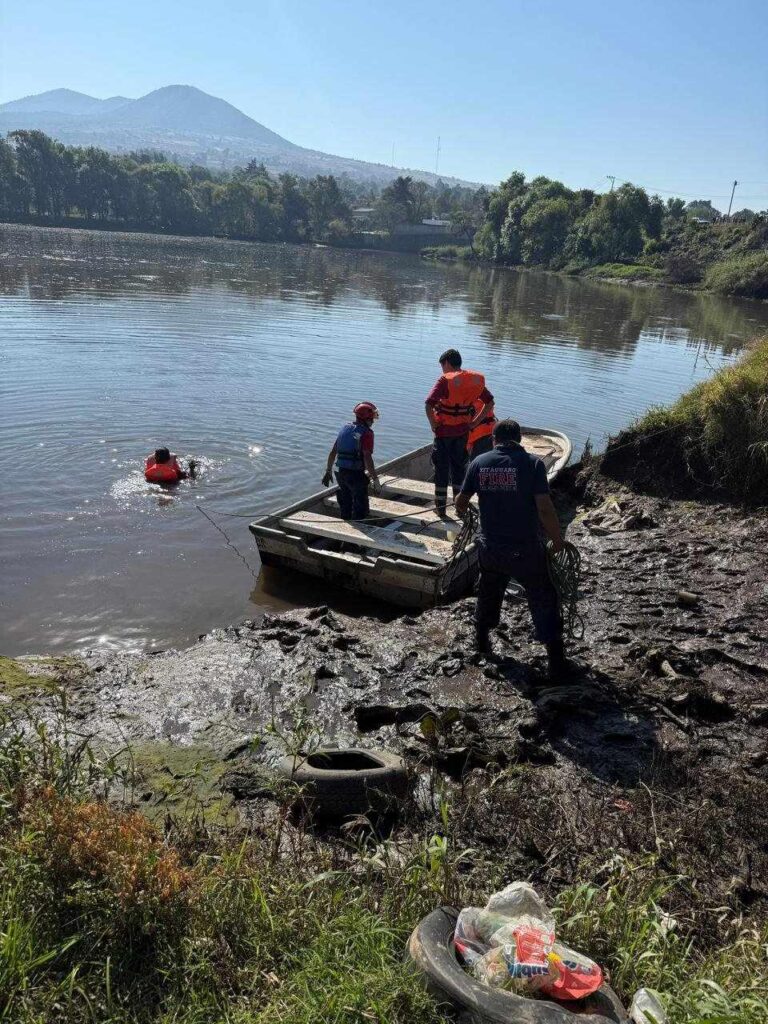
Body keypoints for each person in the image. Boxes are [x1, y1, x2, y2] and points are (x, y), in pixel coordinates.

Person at [455, 418, 568, 677]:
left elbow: (461, 503)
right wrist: (557, 539)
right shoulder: (533, 464)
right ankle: (556, 661)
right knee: (543, 597)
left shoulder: (479, 463)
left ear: (494, 439)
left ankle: (482, 642)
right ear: (519, 440)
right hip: (526, 549)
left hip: (491, 548)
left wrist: (467, 511)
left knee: (488, 592)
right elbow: (544, 507)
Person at [425, 348, 494, 513]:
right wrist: (474, 423)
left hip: (443, 434)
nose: (442, 370)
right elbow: (490, 402)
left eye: (442, 366)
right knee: (459, 469)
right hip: (463, 433)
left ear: (447, 363)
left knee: (441, 469)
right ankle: (459, 507)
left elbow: (428, 404)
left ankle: (440, 508)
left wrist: (433, 424)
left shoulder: (445, 380)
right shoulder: (473, 381)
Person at [322, 402, 381, 521]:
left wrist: (328, 471)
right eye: (372, 418)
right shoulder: (367, 433)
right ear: (366, 418)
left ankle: (346, 528)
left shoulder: (345, 429)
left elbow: (333, 451)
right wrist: (375, 479)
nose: (373, 421)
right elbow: (367, 457)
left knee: (346, 504)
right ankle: (360, 532)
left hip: (341, 473)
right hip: (355, 475)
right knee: (361, 509)